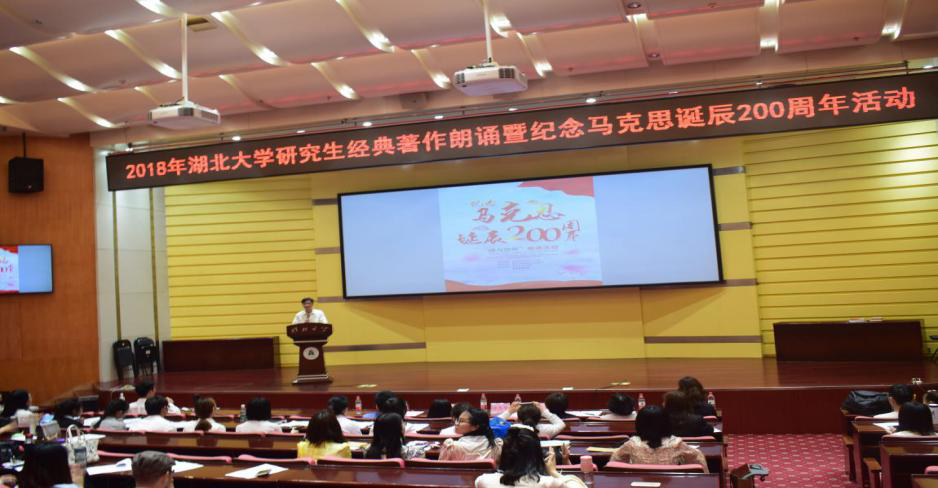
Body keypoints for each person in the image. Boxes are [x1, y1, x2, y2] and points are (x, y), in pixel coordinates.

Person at [475, 426, 586, 488]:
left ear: (504, 455)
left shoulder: (483, 481)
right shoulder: (550, 483)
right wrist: (553, 472)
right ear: (538, 454)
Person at [610, 405, 708, 471]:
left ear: (639, 424)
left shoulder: (632, 444)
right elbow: (698, 460)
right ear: (667, 423)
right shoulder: (676, 443)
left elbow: (614, 464)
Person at [365, 413, 430, 460]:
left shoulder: (367, 452)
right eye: (402, 423)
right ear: (400, 430)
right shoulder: (415, 453)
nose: (404, 425)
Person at [499, 401, 566, 439]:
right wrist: (544, 411)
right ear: (539, 418)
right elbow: (561, 424)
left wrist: (509, 411)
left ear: (518, 419)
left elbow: (493, 424)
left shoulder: (511, 429)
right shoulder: (545, 429)